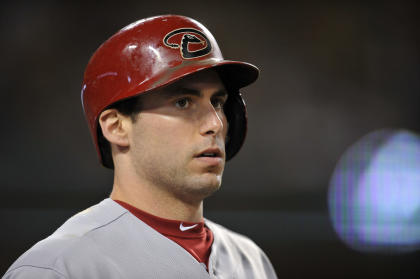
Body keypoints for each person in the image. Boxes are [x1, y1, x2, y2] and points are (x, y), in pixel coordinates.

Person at [3, 15, 277, 279]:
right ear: (116, 127)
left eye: (217, 102)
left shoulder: (251, 261)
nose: (215, 124)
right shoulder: (58, 268)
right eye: (183, 102)